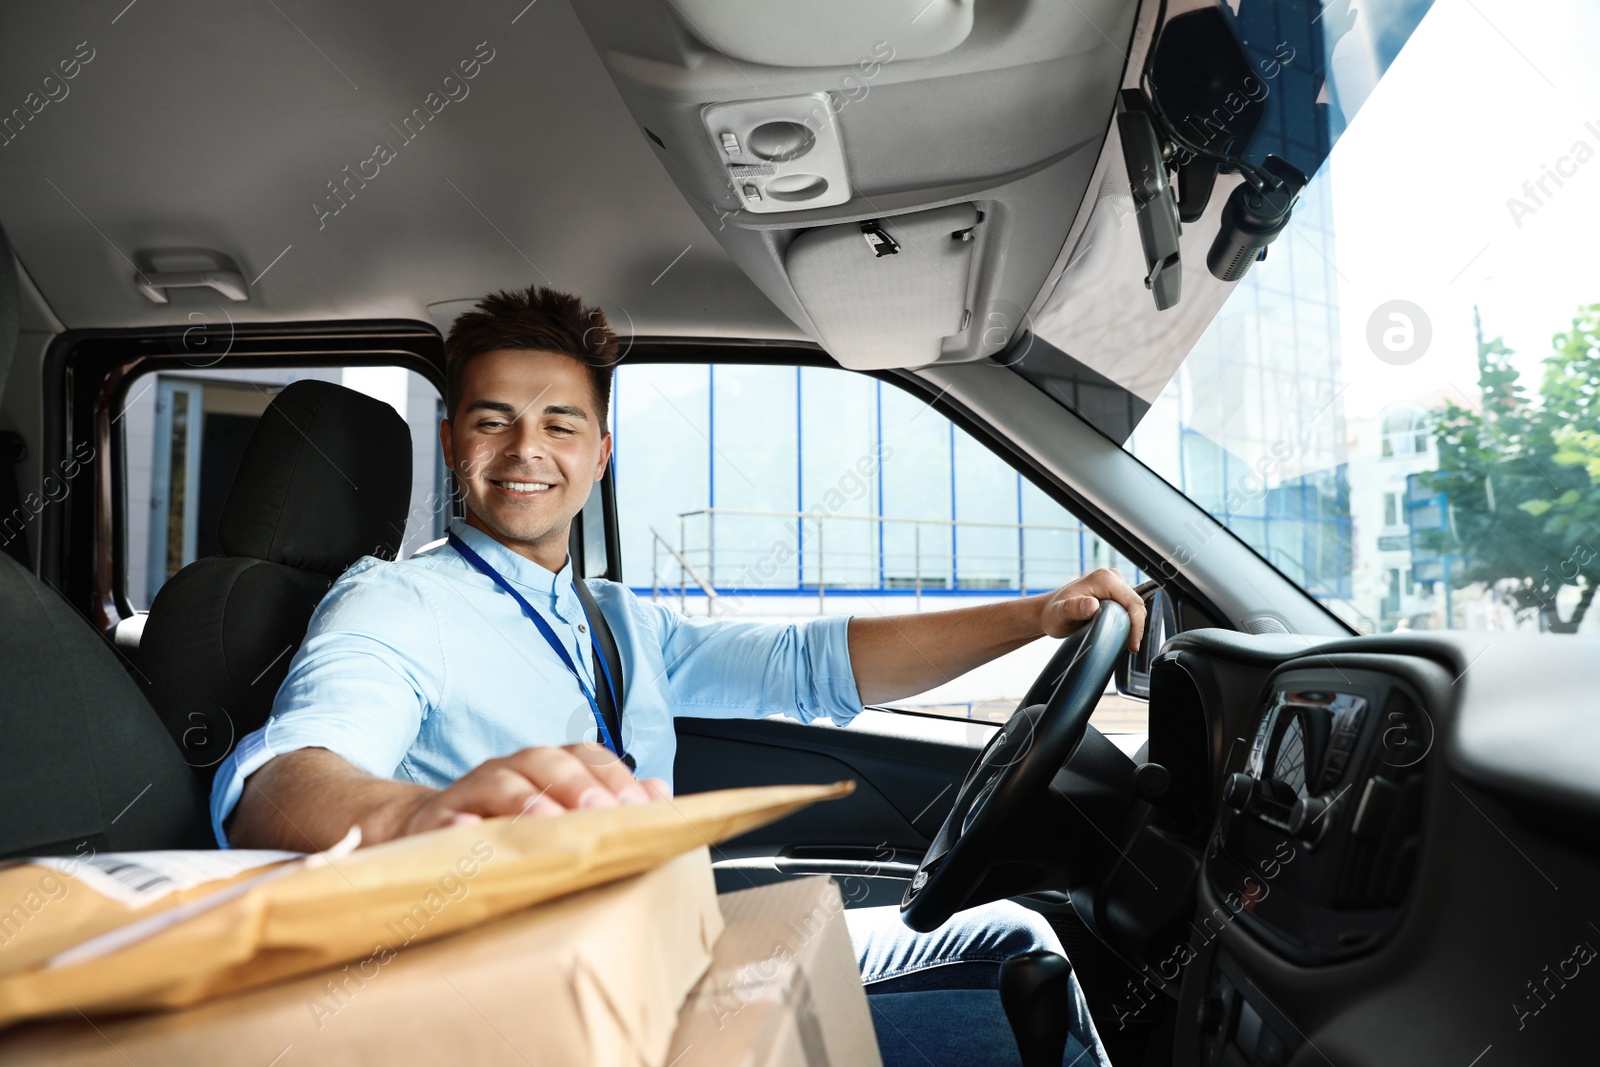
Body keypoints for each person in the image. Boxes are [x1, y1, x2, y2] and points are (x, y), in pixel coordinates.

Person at [214, 285, 1145, 1066]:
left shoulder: (616, 618)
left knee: (1022, 932)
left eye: (560, 423)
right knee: (1014, 960)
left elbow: (807, 664)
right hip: (544, 1006)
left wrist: (1032, 617)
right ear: (455, 440)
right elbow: (285, 782)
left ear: (600, 451)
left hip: (670, 947)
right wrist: (420, 817)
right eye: (494, 421)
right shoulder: (393, 604)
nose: (525, 449)